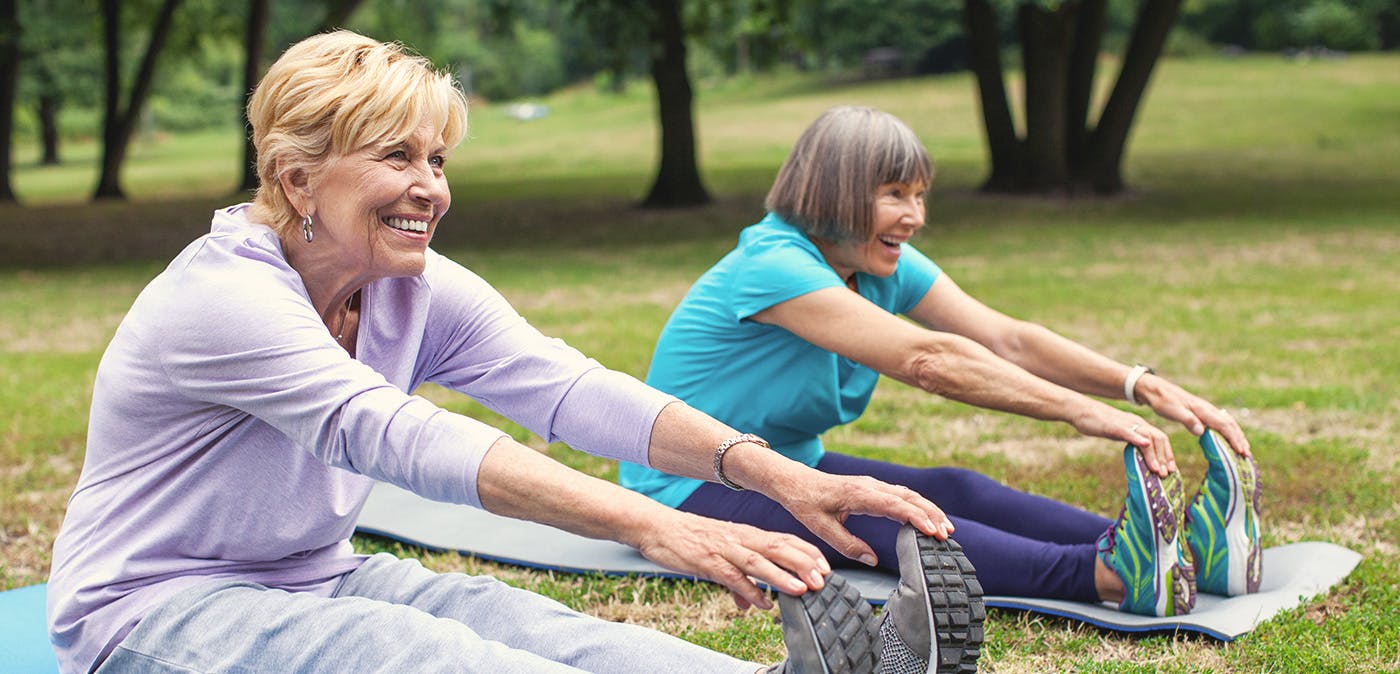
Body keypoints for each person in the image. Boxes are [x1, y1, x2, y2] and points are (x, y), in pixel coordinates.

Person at [45, 35, 982, 674]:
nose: (429, 188)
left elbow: (568, 390)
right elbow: (399, 437)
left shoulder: (408, 282)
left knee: (551, 633)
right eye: (395, 158)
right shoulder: (225, 298)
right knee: (459, 662)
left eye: (437, 160)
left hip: (317, 568)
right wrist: (659, 526)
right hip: (154, 610)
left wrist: (769, 474)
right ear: (298, 178)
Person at [620, 105, 1263, 618]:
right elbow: (928, 359)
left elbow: (1008, 339)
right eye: (896, 194)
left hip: (785, 468)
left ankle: (1176, 554)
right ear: (836, 192)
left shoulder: (873, 262)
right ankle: (1106, 576)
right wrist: (1078, 412)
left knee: (953, 488)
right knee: (893, 518)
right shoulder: (773, 267)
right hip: (690, 487)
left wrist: (1137, 384)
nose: (916, 216)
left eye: (921, 196)